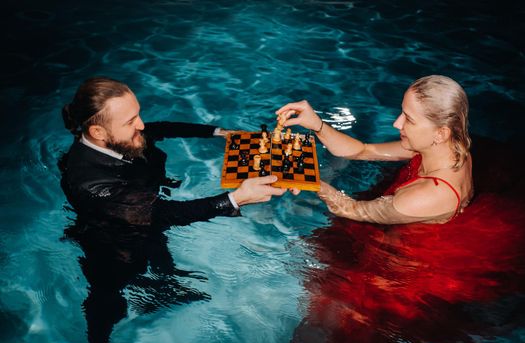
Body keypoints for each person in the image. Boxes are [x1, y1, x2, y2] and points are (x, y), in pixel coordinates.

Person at [59, 76, 286, 229]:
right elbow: (163, 214)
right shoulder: (92, 184)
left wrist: (219, 133)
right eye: (130, 121)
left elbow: (163, 128)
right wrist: (236, 198)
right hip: (118, 236)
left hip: (146, 193)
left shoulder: (120, 134)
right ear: (98, 132)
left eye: (138, 114)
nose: (141, 125)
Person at [276, 75, 473, 224]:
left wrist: (309, 180)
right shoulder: (449, 148)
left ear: (440, 133)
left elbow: (353, 210)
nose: (396, 123)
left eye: (409, 119)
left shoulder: (429, 195)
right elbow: (362, 150)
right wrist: (316, 124)